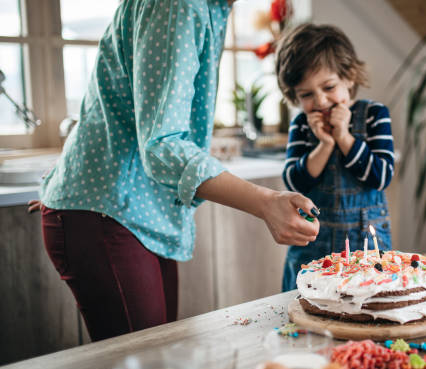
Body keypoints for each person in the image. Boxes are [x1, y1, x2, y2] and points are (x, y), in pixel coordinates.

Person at [28, 0, 319, 342]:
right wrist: (265, 202)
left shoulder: (209, 8)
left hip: (126, 209)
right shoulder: (178, 4)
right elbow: (163, 142)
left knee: (158, 363)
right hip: (107, 211)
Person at [275, 23, 395, 291]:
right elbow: (295, 183)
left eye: (328, 87)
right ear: (294, 95)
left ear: (349, 77)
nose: (319, 101)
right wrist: (326, 144)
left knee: (365, 304)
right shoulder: (302, 124)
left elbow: (382, 176)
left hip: (366, 244)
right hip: (312, 244)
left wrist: (345, 138)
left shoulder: (375, 114)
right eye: (306, 94)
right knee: (303, 306)